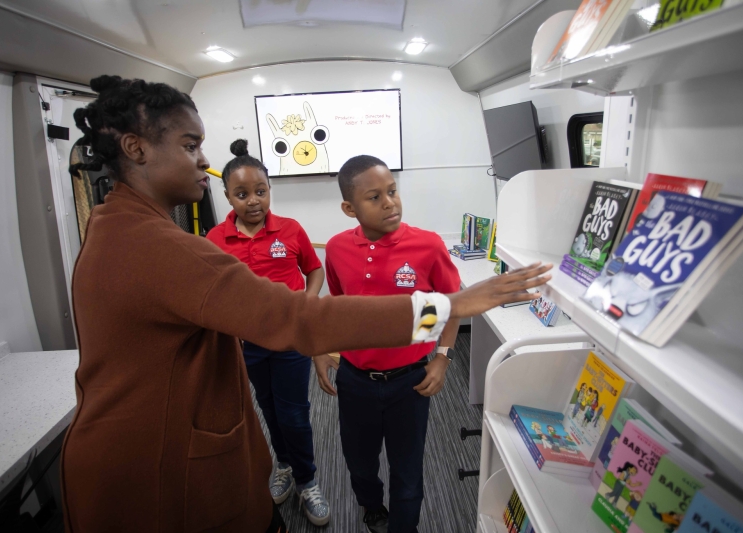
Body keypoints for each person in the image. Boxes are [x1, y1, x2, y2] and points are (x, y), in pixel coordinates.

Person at [62, 75, 552, 533]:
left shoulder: (116, 228)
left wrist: (441, 343)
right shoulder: (160, 247)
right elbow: (305, 316)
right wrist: (447, 307)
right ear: (135, 148)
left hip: (149, 454)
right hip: (158, 473)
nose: (202, 162)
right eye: (191, 146)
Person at [312, 155, 455, 533]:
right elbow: (340, 305)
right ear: (349, 208)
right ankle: (371, 507)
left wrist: (440, 356)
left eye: (392, 191)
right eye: (374, 197)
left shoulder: (427, 245)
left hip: (411, 381)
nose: (389, 202)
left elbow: (450, 306)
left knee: (407, 471)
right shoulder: (339, 248)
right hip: (355, 379)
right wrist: (323, 351)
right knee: (359, 461)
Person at [205, 139, 329, 526]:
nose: (253, 201)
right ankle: (285, 466)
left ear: (269, 190)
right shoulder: (215, 239)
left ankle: (308, 480)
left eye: (260, 191)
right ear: (227, 196)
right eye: (242, 194)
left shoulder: (290, 230)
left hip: (291, 340)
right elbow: (214, 291)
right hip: (248, 345)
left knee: (294, 413)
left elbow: (315, 270)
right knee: (269, 409)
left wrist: (307, 303)